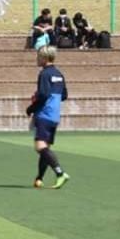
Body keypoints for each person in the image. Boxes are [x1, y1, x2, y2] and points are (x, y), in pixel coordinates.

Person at [26, 45, 71, 190]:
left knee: (40, 147)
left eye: (38, 56)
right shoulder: (59, 73)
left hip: (44, 114)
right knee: (45, 147)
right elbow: (64, 95)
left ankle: (60, 173)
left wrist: (31, 108)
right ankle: (39, 178)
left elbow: (44, 95)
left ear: (44, 58)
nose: (37, 59)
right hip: (54, 115)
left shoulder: (44, 74)